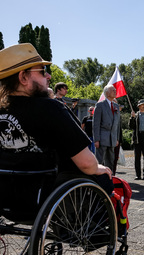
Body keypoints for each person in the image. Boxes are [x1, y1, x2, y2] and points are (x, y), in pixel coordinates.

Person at [0, 43, 113, 195]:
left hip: (6, 195)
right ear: (23, 77)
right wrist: (98, 168)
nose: (49, 76)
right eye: (42, 71)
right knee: (105, 179)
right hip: (44, 196)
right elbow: (87, 163)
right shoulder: (50, 108)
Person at [93, 85, 121, 173]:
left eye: (115, 90)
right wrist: (96, 139)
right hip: (102, 138)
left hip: (112, 138)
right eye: (113, 90)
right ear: (107, 93)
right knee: (100, 160)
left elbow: (117, 124)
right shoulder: (100, 105)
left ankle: (110, 179)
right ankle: (97, 178)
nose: (115, 91)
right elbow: (96, 123)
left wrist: (116, 138)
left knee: (110, 161)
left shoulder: (116, 106)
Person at [129, 99, 144, 180]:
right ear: (139, 106)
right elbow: (131, 126)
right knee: (137, 158)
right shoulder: (135, 115)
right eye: (142, 104)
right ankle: (138, 175)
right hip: (138, 138)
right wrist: (132, 118)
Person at [112, 99, 123, 176]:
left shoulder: (118, 114)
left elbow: (119, 128)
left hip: (117, 140)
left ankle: (113, 174)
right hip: (108, 140)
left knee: (115, 158)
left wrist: (119, 139)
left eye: (116, 103)